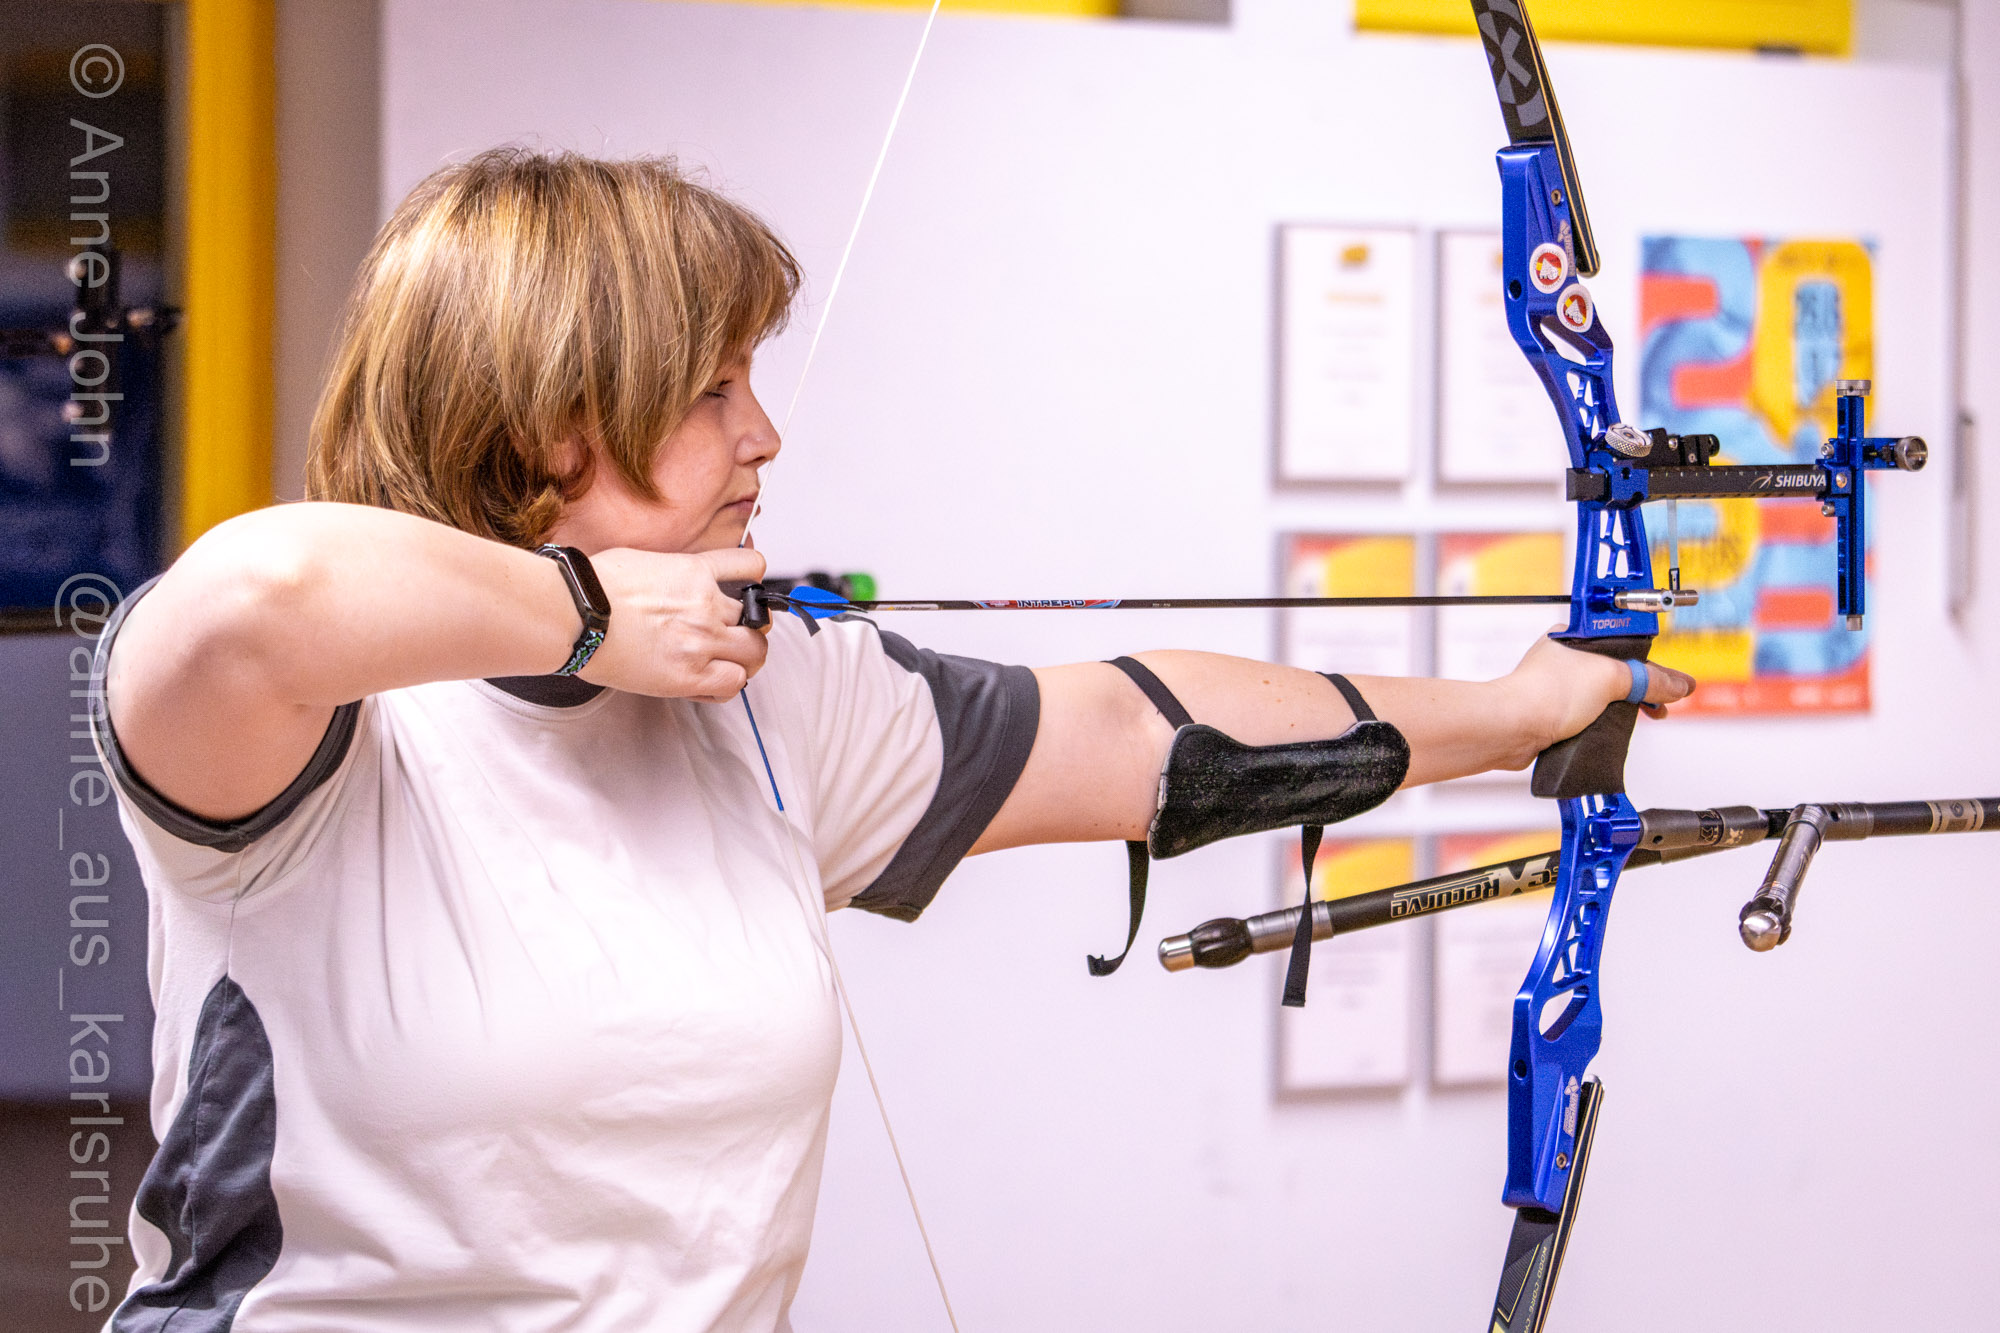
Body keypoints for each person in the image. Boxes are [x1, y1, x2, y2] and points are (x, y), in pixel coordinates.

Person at [90, 149, 1692, 1332]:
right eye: (711, 389)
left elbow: (1135, 729)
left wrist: (1519, 711)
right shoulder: (304, 740)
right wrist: (586, 614)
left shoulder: (769, 697)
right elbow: (257, 594)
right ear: (546, 424)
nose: (764, 434)